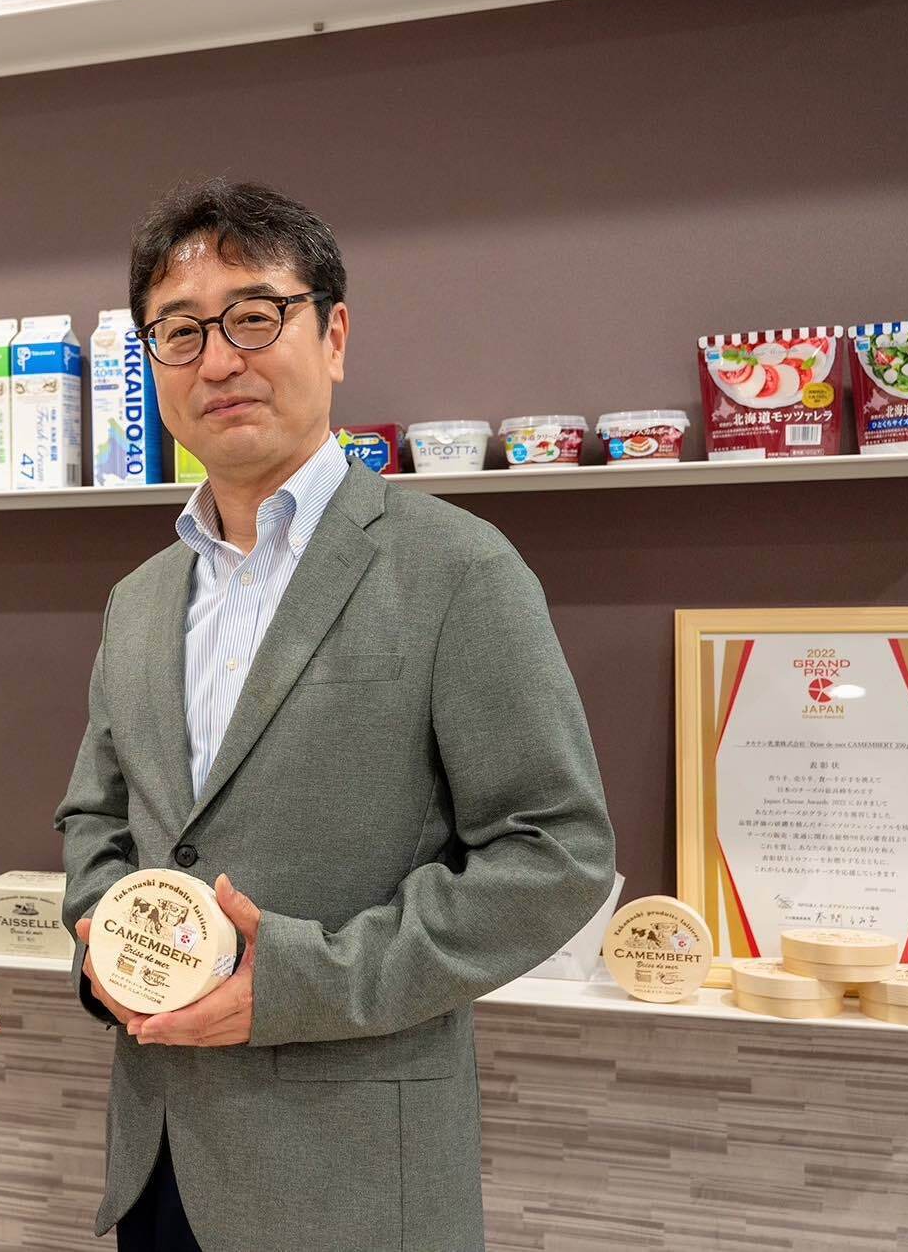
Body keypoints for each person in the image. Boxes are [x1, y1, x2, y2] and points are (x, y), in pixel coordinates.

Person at [55, 180, 616, 1252]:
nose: (218, 360)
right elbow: (95, 819)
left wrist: (300, 980)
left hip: (355, 1183)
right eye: (180, 331)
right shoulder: (139, 600)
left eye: (254, 316)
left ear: (336, 334)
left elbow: (558, 852)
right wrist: (109, 951)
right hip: (159, 1162)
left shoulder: (458, 568)